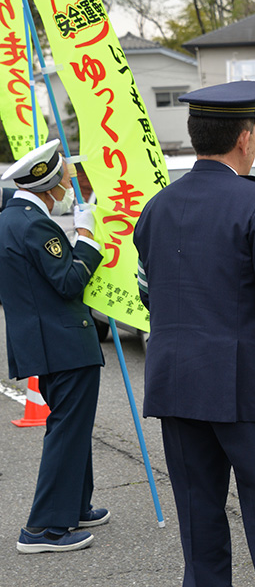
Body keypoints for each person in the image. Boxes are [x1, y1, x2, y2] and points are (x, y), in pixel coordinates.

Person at [133, 81, 255, 587]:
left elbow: (152, 292)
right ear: (246, 138)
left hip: (176, 383)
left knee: (199, 527)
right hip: (246, 388)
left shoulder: (157, 206)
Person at [0, 140, 108, 554]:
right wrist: (85, 237)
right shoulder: (35, 224)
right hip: (62, 341)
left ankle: (74, 506)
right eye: (65, 182)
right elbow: (68, 281)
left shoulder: (13, 218)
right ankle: (44, 529)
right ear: (48, 187)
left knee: (71, 426)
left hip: (46, 341)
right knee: (66, 429)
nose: (69, 189)